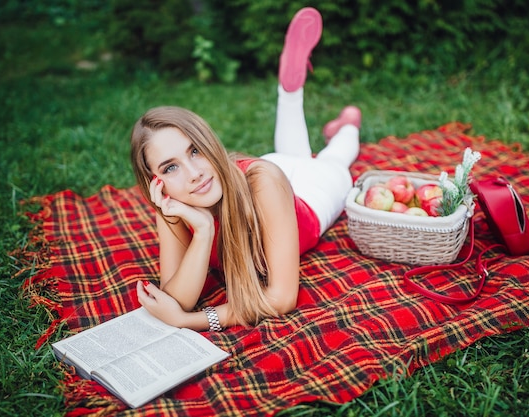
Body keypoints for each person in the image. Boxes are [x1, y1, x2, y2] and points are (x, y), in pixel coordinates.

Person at [131, 7, 361, 331]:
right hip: (270, 166)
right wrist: (203, 231)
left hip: (308, 191)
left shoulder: (262, 183)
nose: (193, 172)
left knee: (334, 163)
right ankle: (292, 93)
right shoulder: (172, 202)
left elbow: (282, 298)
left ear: (211, 144)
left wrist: (192, 321)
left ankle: (349, 126)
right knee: (291, 153)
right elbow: (178, 297)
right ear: (156, 182)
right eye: (170, 167)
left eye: (195, 150)